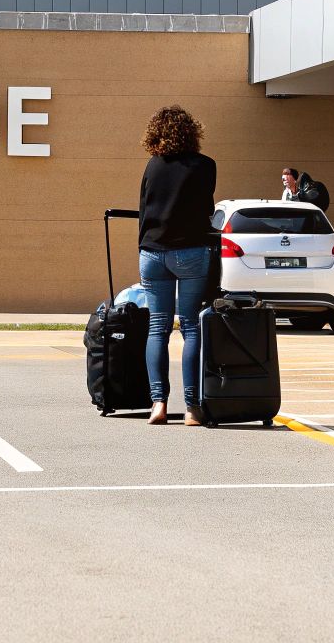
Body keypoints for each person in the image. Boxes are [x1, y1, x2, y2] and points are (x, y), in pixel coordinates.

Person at [137, 105, 217, 426]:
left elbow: (143, 210)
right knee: (190, 326)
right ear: (191, 132)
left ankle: (158, 403)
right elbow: (207, 207)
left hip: (152, 253)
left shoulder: (152, 167)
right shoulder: (205, 165)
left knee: (157, 328)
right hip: (190, 252)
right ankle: (191, 408)